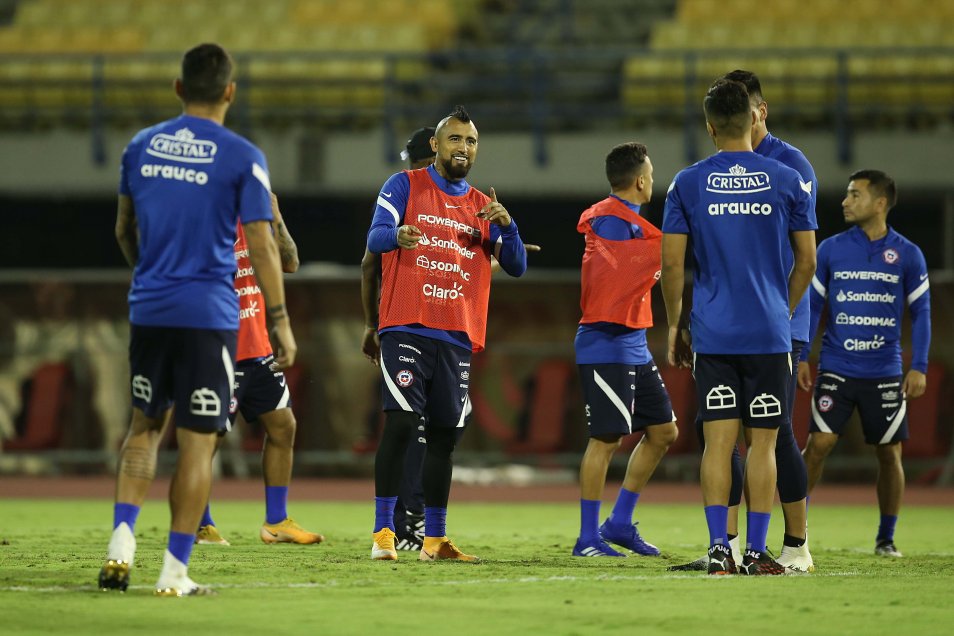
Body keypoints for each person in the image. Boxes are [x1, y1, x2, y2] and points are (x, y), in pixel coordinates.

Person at [98, 43, 296, 596]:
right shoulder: (241, 155)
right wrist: (279, 320)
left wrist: (151, 277)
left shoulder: (139, 147)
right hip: (208, 313)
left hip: (150, 307)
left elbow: (123, 229)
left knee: (143, 427)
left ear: (179, 88)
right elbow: (260, 244)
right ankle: (173, 572)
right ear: (230, 91)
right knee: (197, 442)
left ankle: (121, 541)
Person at [660, 78, 816, 575]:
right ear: (755, 118)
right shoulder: (788, 178)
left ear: (709, 127)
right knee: (765, 443)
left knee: (718, 442)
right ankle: (756, 550)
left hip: (715, 333)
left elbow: (672, 267)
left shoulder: (687, 183)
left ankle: (717, 550)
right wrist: (782, 309)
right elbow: (807, 262)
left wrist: (674, 326)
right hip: (769, 334)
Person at [365, 104, 527, 562]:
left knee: (444, 437)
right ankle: (383, 532)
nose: (464, 148)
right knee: (399, 425)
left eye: (471, 141)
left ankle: (434, 539)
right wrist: (397, 236)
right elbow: (375, 238)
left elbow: (516, 265)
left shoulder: (481, 205)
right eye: (455, 139)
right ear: (435, 145)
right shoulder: (404, 185)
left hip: (456, 333)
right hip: (407, 325)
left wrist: (508, 227)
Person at [798, 170, 930, 558]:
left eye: (855, 195)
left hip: (885, 371)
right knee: (819, 444)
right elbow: (815, 305)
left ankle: (886, 538)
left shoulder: (907, 253)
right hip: (837, 366)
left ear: (880, 203)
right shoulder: (831, 249)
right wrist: (804, 354)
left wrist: (918, 365)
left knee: (889, 453)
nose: (845, 201)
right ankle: (797, 529)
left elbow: (921, 312)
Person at [195, 193, 324, 547]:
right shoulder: (204, 220)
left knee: (283, 426)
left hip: (257, 350)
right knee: (208, 439)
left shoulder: (255, 223)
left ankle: (276, 521)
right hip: (219, 350)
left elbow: (291, 262)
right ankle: (200, 523)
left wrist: (276, 216)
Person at [571, 142, 678, 558]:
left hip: (632, 342)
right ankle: (586, 538)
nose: (653, 180)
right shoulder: (609, 219)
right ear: (640, 180)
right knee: (605, 439)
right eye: (650, 174)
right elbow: (618, 277)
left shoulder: (632, 222)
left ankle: (617, 523)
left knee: (664, 432)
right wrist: (670, 250)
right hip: (605, 342)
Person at [360, 126, 437, 552]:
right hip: (406, 324)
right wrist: (372, 324)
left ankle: (418, 520)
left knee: (438, 428)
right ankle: (400, 523)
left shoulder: (457, 199)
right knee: (409, 424)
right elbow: (370, 261)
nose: (413, 169)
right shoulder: (404, 193)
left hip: (444, 329)